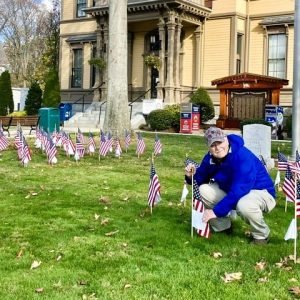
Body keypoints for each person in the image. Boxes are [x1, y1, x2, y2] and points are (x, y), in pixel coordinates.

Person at [185, 127, 276, 244]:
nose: (217, 148)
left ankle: (261, 236)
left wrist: (215, 212)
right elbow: (200, 180)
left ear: (226, 140)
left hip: (260, 192)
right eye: (213, 145)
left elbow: (240, 189)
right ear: (209, 147)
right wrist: (189, 176)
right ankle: (223, 227)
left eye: (220, 142)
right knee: (203, 190)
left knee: (244, 204)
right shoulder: (209, 159)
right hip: (233, 191)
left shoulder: (243, 156)